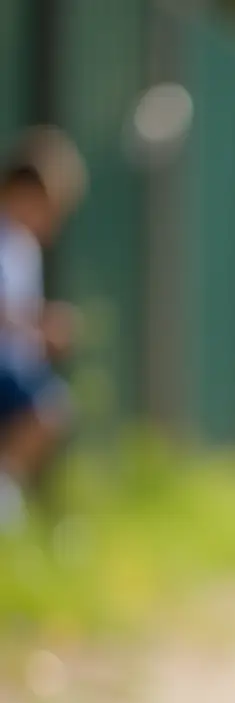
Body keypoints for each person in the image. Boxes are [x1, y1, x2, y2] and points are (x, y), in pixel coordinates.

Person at [0, 126, 87, 529]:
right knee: (47, 408)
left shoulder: (25, 248)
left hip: (15, 366)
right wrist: (38, 323)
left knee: (50, 407)